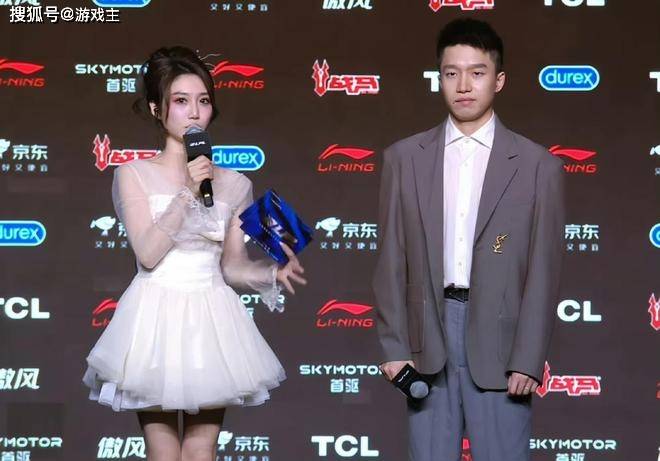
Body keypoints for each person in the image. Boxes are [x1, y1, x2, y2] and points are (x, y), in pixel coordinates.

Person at [83, 46, 306, 461]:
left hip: (211, 317)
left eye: (203, 101)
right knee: (163, 453)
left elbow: (233, 268)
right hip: (154, 317)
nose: (194, 112)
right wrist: (187, 191)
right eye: (181, 101)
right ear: (157, 109)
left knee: (202, 452)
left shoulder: (235, 184)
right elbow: (148, 254)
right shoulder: (132, 174)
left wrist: (270, 274)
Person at [373, 19, 565, 461]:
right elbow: (391, 262)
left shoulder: (539, 166)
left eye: (477, 73)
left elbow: (544, 272)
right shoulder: (403, 159)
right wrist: (394, 347)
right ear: (438, 78)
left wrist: (528, 358)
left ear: (498, 80)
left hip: (502, 344)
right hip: (426, 339)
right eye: (451, 73)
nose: (463, 85)